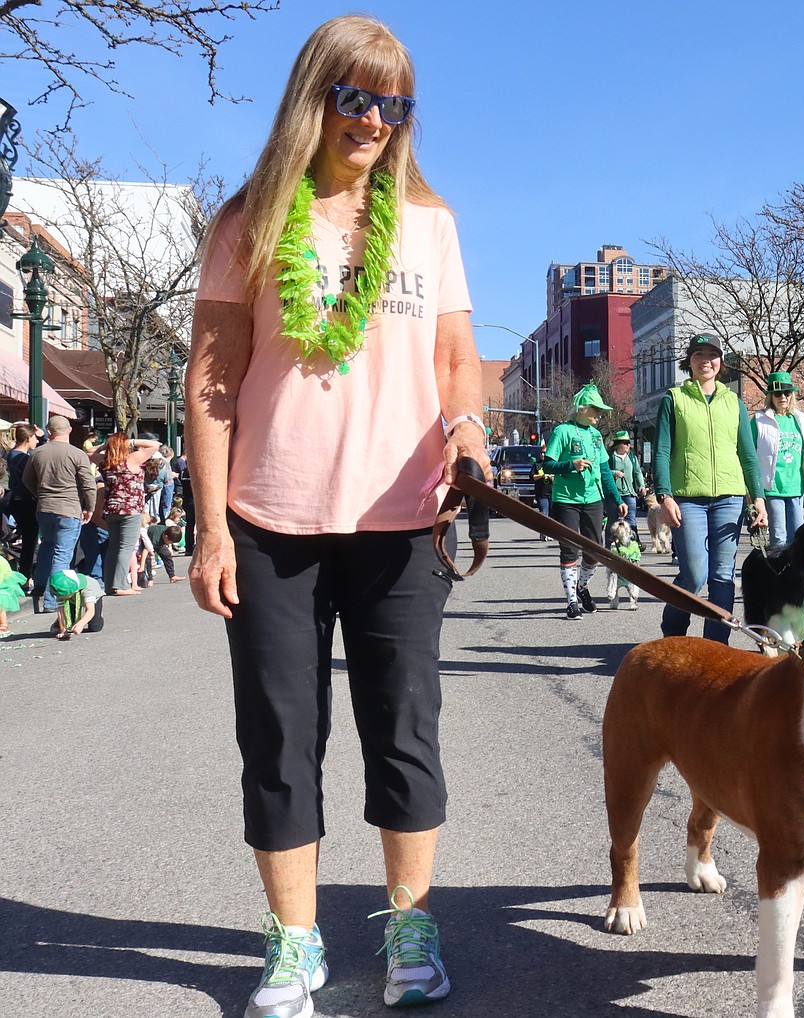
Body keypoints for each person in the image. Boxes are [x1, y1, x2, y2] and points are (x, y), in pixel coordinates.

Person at [185, 16, 491, 1016]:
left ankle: (409, 927)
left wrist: (468, 432)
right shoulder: (249, 223)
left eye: (392, 103)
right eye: (353, 96)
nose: (371, 119)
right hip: (270, 520)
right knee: (281, 736)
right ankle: (294, 943)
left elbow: (454, 360)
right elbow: (215, 380)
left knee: (404, 731)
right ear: (312, 97)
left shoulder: (429, 224)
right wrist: (212, 526)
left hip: (403, 520)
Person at [653, 333, 767, 643]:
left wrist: (758, 499)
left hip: (729, 498)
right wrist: (665, 496)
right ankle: (673, 635)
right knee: (694, 573)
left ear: (721, 362)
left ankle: (717, 646)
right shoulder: (673, 399)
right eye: (698, 354)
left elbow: (748, 455)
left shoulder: (735, 403)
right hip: (687, 499)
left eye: (712, 354)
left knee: (722, 576)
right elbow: (662, 451)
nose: (706, 360)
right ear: (688, 361)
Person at [544, 384, 626, 619]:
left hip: (593, 499)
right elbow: (547, 465)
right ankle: (571, 601)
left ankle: (582, 587)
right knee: (569, 550)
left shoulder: (597, 436)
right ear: (582, 409)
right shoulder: (563, 431)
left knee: (594, 552)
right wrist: (571, 464)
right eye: (596, 409)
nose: (599, 415)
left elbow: (605, 471)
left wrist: (617, 498)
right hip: (566, 499)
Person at [750, 370, 804, 551]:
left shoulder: (799, 419)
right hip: (773, 487)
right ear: (770, 396)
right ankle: (779, 575)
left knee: (799, 536)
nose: (783, 397)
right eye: (778, 393)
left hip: (796, 487)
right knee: (779, 538)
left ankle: (796, 575)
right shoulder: (760, 420)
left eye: (787, 393)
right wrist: (751, 492)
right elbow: (750, 455)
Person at [22, 415, 97, 616]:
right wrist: (89, 507)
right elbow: (89, 484)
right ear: (69, 430)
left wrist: (39, 494)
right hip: (69, 507)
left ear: (49, 431)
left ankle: (39, 586)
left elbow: (27, 479)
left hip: (44, 507)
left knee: (46, 546)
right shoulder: (77, 454)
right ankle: (52, 599)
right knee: (62, 554)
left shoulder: (37, 453)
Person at [91, 433, 162, 594]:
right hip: (131, 509)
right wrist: (132, 441)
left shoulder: (105, 463)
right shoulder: (132, 459)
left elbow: (88, 453)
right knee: (126, 547)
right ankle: (120, 585)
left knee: (114, 547)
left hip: (111, 509)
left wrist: (106, 446)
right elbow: (155, 445)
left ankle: (110, 584)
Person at [4, 425, 41, 585]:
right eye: (35, 438)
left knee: (23, 537)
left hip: (12, 500)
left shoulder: (9, 454)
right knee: (29, 539)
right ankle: (26, 576)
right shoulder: (24, 459)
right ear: (28, 439)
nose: (37, 441)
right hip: (26, 500)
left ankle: (23, 574)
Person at [608, 430, 645, 537]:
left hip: (629, 493)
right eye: (625, 443)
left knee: (631, 520)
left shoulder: (632, 457)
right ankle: (610, 545)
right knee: (613, 521)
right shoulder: (610, 457)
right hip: (613, 494)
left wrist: (641, 485)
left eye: (629, 442)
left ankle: (633, 543)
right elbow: (603, 472)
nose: (628, 445)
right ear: (618, 444)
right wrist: (615, 473)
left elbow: (637, 472)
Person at [48, 568, 105, 637]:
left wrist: (81, 624)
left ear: (73, 591)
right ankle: (61, 622)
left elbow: (90, 610)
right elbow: (61, 610)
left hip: (93, 598)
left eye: (63, 596)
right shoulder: (60, 591)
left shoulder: (89, 588)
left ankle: (98, 617)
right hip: (72, 600)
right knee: (70, 624)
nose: (60, 598)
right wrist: (63, 630)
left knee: (95, 627)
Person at [531, 441, 553, 542]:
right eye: (542, 453)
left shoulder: (552, 465)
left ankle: (549, 533)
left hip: (553, 493)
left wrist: (553, 478)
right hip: (541, 493)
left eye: (545, 453)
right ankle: (544, 533)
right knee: (544, 513)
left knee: (552, 514)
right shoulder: (537, 465)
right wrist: (542, 476)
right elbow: (532, 477)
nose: (543, 455)